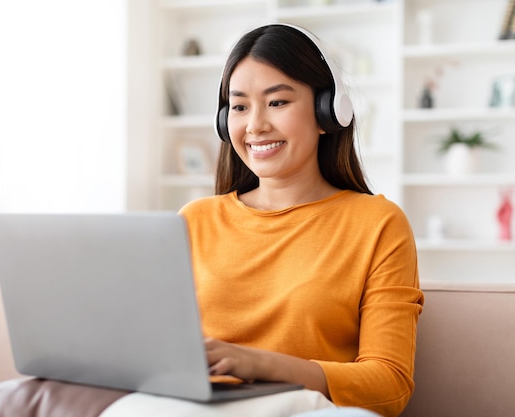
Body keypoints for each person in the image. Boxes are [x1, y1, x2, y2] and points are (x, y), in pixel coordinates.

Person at [178, 24, 423, 417]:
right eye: (239, 106)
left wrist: (259, 364)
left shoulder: (378, 223)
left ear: (328, 111)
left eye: (277, 102)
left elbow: (389, 385)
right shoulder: (195, 220)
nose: (255, 125)